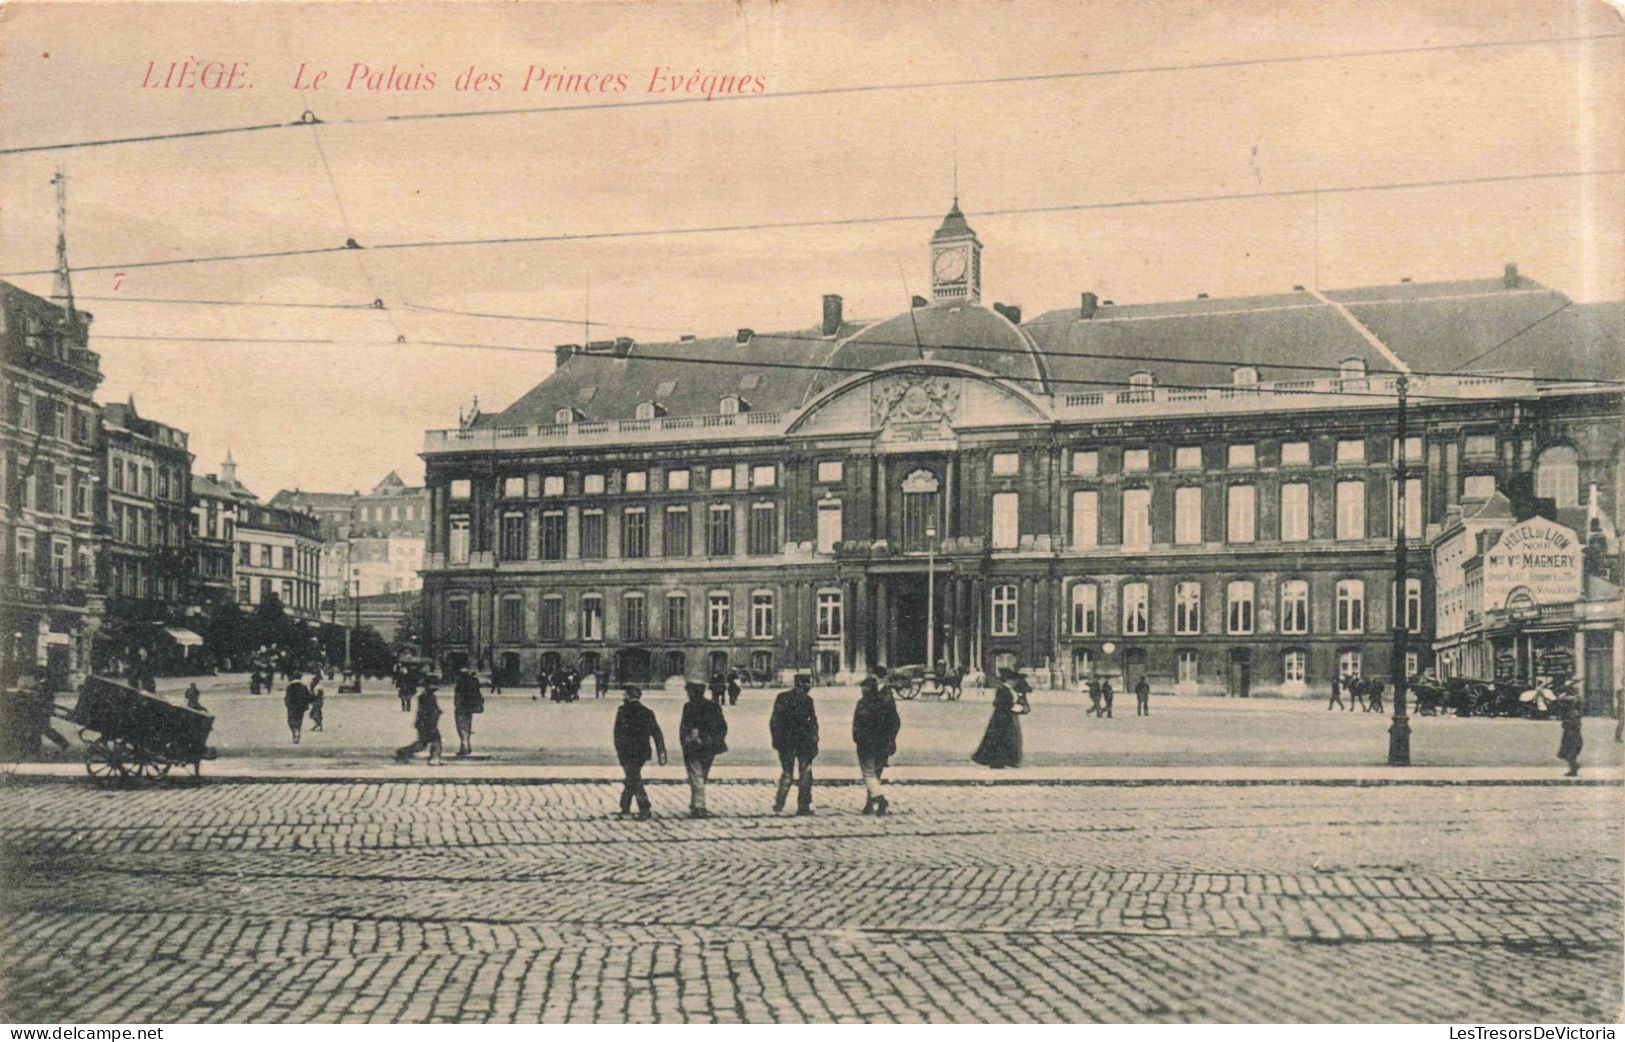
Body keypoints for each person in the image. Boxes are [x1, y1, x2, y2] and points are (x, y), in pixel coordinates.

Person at [612, 686, 667, 819]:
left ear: (629, 696)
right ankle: (624, 806)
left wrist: (619, 750)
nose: (622, 697)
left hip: (626, 752)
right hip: (642, 752)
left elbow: (617, 733)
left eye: (624, 695)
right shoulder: (647, 712)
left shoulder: (622, 711)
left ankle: (644, 807)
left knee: (633, 778)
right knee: (632, 776)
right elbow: (657, 733)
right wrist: (661, 751)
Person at [769, 673, 819, 815]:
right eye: (807, 683)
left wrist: (776, 740)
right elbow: (813, 724)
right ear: (801, 684)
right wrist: (815, 741)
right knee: (805, 774)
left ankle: (779, 803)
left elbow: (774, 721)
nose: (809, 686)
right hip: (804, 743)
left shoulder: (782, 697)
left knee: (787, 773)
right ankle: (803, 806)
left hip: (786, 743)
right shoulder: (807, 700)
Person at [678, 679, 728, 818]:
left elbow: (684, 727)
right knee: (702, 775)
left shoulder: (688, 707)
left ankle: (699, 806)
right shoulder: (714, 706)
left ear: (692, 692)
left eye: (688, 691)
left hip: (693, 746)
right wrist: (712, 740)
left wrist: (686, 741)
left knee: (696, 775)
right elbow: (722, 727)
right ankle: (695, 803)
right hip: (710, 747)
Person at [853, 676, 902, 815]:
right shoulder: (885, 703)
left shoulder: (862, 704)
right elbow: (895, 723)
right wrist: (891, 740)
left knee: (868, 773)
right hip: (883, 744)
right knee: (876, 774)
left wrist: (857, 740)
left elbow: (856, 726)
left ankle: (879, 799)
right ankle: (869, 804)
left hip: (866, 745)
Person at [972, 668, 1027, 769]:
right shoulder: (1003, 690)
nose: (1016, 683)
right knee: (1000, 740)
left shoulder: (1007, 690)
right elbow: (999, 703)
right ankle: (999, 761)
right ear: (1010, 680)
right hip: (1002, 719)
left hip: (1005, 718)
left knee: (1005, 740)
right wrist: (1014, 708)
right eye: (1014, 680)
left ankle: (1005, 761)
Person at [396, 676, 445, 765]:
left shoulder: (428, 696)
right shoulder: (426, 696)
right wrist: (435, 714)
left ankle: (404, 752)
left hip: (426, 722)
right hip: (427, 723)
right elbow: (426, 711)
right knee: (432, 741)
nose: (437, 687)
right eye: (435, 685)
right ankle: (434, 758)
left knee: (425, 742)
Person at [453, 667, 485, 757]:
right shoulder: (473, 682)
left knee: (462, 728)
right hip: (469, 708)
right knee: (467, 727)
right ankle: (466, 747)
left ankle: (465, 748)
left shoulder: (460, 683)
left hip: (461, 708)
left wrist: (457, 705)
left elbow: (458, 697)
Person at [1558, 695, 1583, 777]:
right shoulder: (1572, 712)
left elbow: (1572, 724)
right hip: (1571, 735)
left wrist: (1565, 723)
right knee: (1569, 754)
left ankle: (1575, 767)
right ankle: (1573, 769)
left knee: (1569, 754)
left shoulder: (1573, 713)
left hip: (1572, 736)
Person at [283, 672, 312, 745]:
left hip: (292, 707)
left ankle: (294, 733)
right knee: (299, 721)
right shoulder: (304, 687)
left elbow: (287, 698)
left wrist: (287, 705)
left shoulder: (290, 686)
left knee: (291, 721)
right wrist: (306, 706)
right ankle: (297, 732)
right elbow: (308, 697)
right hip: (301, 707)